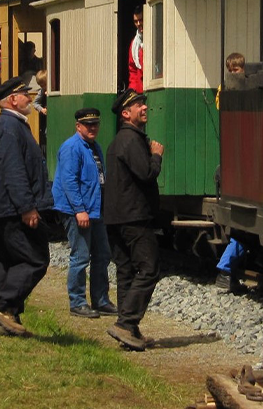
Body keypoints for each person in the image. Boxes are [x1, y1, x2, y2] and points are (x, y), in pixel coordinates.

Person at [0, 76, 53, 337]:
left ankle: (8, 318)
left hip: (4, 208)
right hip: (13, 209)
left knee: (9, 263)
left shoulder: (9, 126)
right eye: (25, 94)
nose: (30, 98)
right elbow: (14, 171)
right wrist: (27, 207)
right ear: (13, 99)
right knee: (35, 258)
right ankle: (2, 307)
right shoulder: (10, 127)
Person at [105, 88, 164, 351]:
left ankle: (128, 329)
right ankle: (126, 323)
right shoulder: (131, 140)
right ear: (126, 114)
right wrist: (156, 156)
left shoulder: (119, 140)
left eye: (144, 103)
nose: (145, 108)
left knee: (126, 270)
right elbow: (145, 174)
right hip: (134, 217)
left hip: (116, 217)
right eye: (139, 105)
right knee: (149, 269)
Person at [52, 108, 116, 319]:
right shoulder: (72, 147)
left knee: (102, 254)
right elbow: (68, 181)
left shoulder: (94, 146)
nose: (93, 128)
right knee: (80, 257)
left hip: (94, 209)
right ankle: (77, 302)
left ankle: (100, 300)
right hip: (77, 210)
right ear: (78, 126)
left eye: (95, 124)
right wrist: (79, 210)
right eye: (88, 125)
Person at [215, 52, 247, 292]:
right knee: (240, 233)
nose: (234, 73)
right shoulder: (226, 91)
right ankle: (225, 269)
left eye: (237, 69)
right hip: (236, 162)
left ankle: (227, 270)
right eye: (231, 69)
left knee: (241, 233)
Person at [127, 9, 144, 93]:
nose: (138, 24)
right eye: (135, 21)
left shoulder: (157, 37)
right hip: (139, 91)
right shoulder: (134, 44)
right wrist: (132, 92)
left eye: (141, 20)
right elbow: (133, 70)